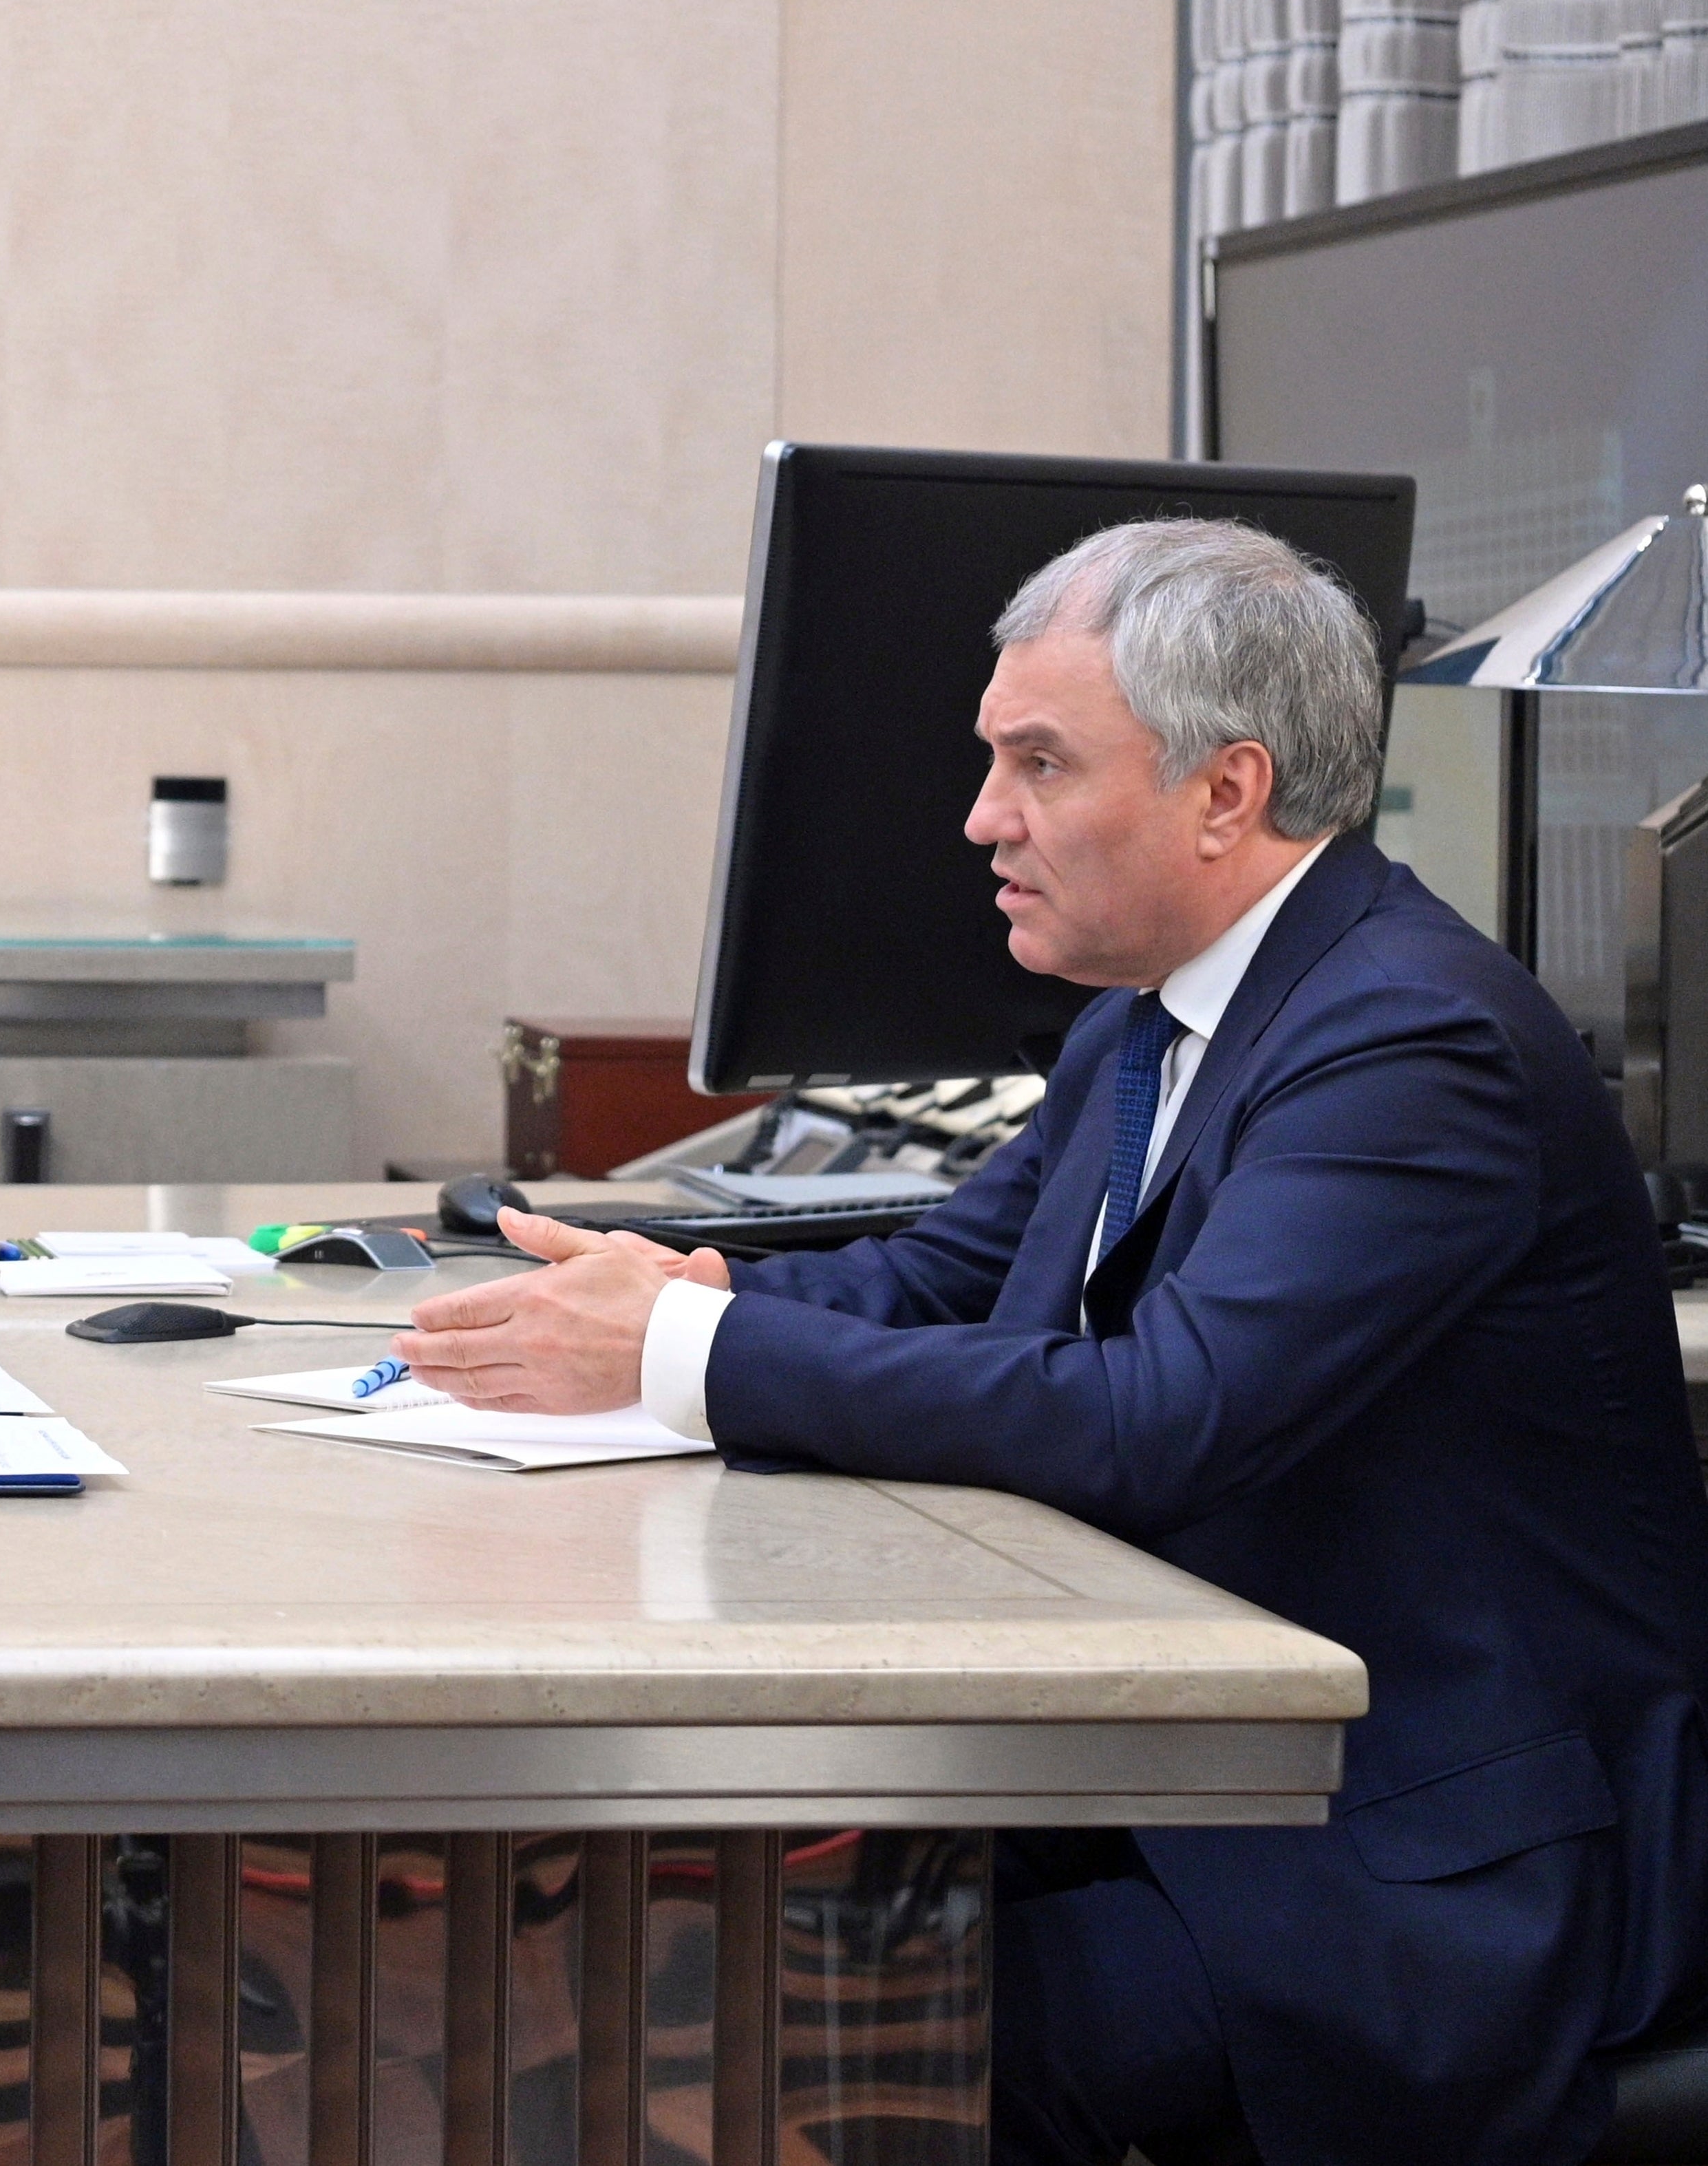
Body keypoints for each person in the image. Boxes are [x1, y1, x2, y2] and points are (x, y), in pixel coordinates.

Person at [392, 519, 1708, 2164]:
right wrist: (674, 1296)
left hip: (1395, 1872)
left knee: (792, 2042)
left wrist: (678, 1353)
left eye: (1037, 762)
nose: (982, 818)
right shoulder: (1149, 1020)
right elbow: (942, 1278)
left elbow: (1167, 1412)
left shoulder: (1410, 1038)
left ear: (1228, 792)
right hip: (1164, 1789)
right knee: (655, 1940)